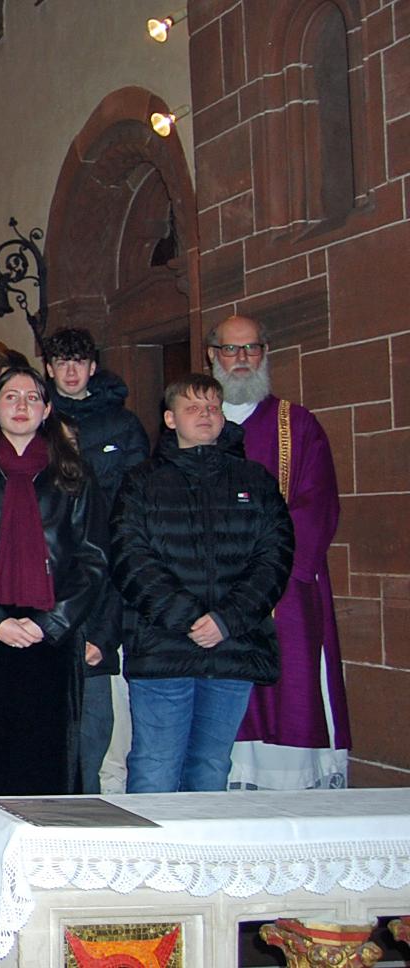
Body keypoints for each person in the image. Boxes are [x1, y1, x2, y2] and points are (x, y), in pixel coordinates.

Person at [114, 374, 294, 793]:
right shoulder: (141, 482)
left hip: (232, 646)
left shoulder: (255, 480)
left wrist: (227, 620)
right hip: (163, 647)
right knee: (155, 766)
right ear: (170, 418)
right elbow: (130, 559)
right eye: (192, 407)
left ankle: (201, 859)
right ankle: (148, 860)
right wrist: (190, 619)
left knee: (212, 768)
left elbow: (275, 557)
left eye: (212, 407)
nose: (205, 415)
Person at [0, 367, 107, 797]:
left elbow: (93, 559)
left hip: (53, 632)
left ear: (47, 409)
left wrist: (51, 623)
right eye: (12, 397)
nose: (22, 406)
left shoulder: (75, 477)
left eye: (33, 398)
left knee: (55, 759)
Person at [209, 315, 352, 790]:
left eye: (251, 349)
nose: (242, 360)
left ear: (264, 353)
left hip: (284, 584)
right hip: (214, 589)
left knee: (293, 685)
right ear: (213, 356)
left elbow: (318, 502)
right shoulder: (197, 422)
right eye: (231, 350)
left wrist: (264, 565)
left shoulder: (298, 424)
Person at [42, 327, 148, 794]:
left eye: (78, 362)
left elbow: (137, 504)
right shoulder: (36, 420)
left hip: (105, 579)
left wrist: (109, 627)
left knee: (100, 730)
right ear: (49, 368)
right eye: (61, 362)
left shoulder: (121, 425)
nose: (69, 371)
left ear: (92, 367)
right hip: (49, 580)